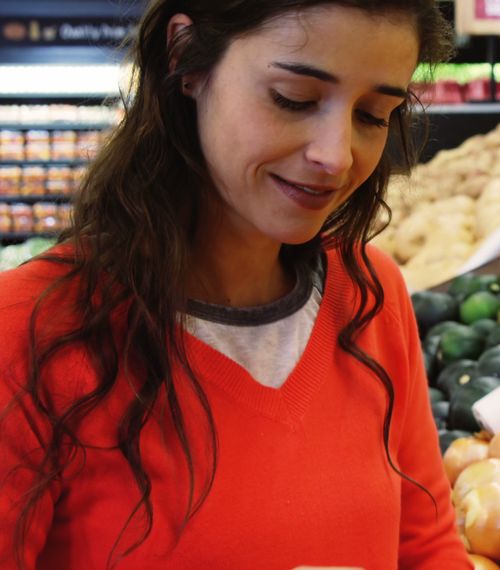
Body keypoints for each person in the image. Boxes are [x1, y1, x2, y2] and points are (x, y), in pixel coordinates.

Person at [0, 0, 472, 568]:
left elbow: (427, 549)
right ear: (186, 57)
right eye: (293, 99)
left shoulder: (372, 293)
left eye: (372, 115)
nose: (335, 155)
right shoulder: (29, 328)